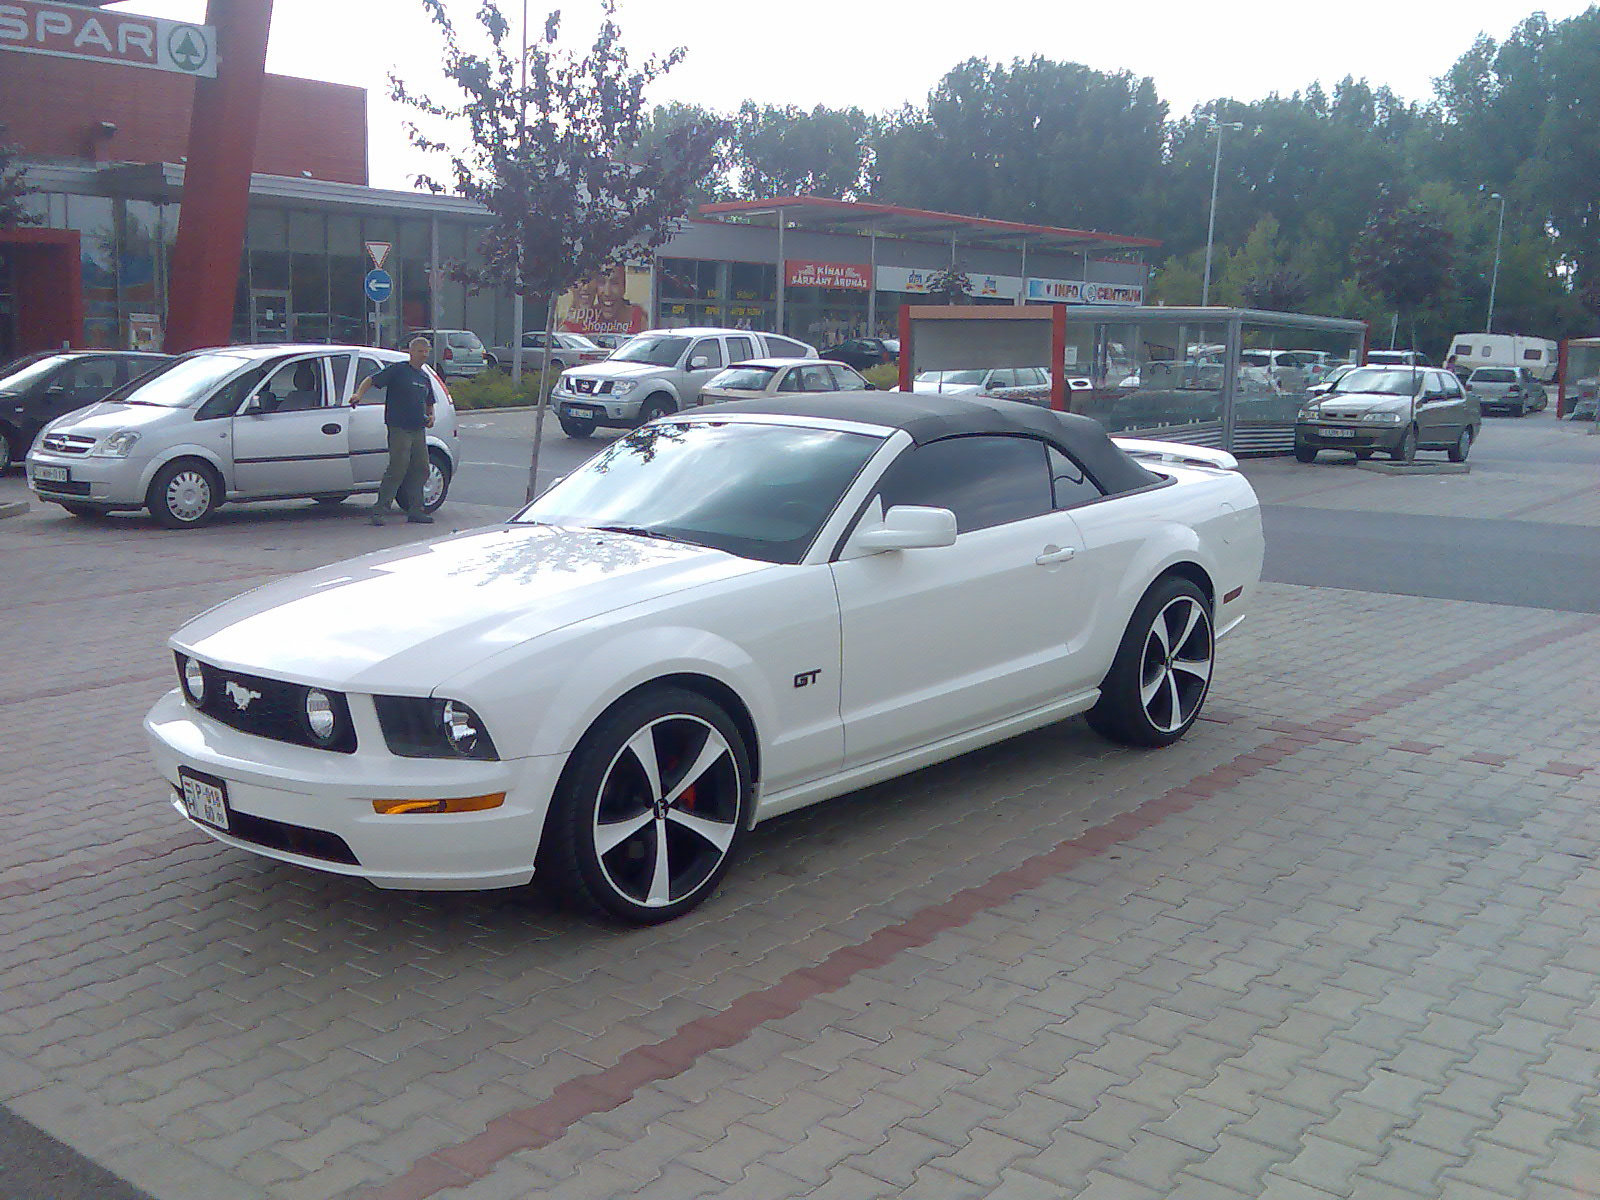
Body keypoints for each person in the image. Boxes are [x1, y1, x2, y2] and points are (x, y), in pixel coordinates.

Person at [351, 336, 436, 526]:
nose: (424, 355)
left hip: (418, 429)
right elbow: (371, 380)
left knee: (421, 468)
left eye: (427, 351)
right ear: (411, 352)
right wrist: (358, 394)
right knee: (398, 467)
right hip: (399, 427)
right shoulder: (398, 370)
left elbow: (429, 401)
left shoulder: (424, 377)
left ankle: (416, 510)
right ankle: (380, 510)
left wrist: (431, 416)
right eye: (421, 351)